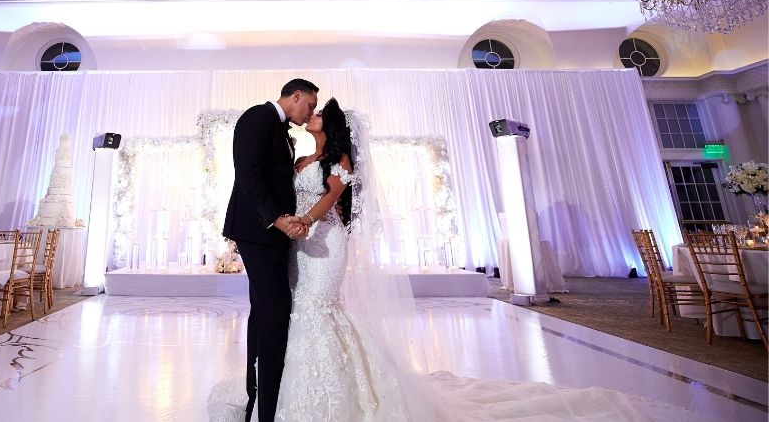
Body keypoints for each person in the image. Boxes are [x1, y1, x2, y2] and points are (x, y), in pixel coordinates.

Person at [211, 98, 700, 422]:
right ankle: (280, 391)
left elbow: (328, 203)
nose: (310, 115)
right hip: (298, 247)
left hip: (322, 243)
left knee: (319, 311)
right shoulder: (299, 158)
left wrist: (302, 222)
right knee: (297, 313)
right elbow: (276, 186)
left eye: (317, 113)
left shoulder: (340, 165)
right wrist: (285, 222)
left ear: (331, 127)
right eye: (310, 110)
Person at [222, 78, 319, 422]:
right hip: (258, 231)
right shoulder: (257, 117)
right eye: (309, 105)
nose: (310, 114)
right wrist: (276, 218)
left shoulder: (279, 128)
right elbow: (248, 174)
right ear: (296, 96)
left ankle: (260, 398)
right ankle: (268, 406)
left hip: (270, 234)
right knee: (276, 310)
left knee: (264, 311)